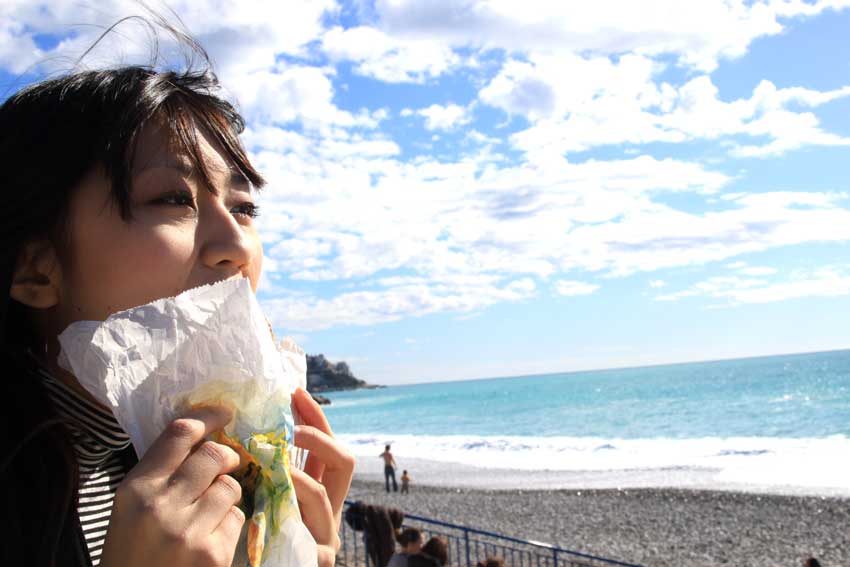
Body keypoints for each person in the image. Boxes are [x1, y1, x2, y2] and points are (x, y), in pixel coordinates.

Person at [0, 23, 354, 567]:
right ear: (35, 269)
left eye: (243, 207)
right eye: (173, 199)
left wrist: (286, 552)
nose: (238, 245)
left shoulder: (189, 462)